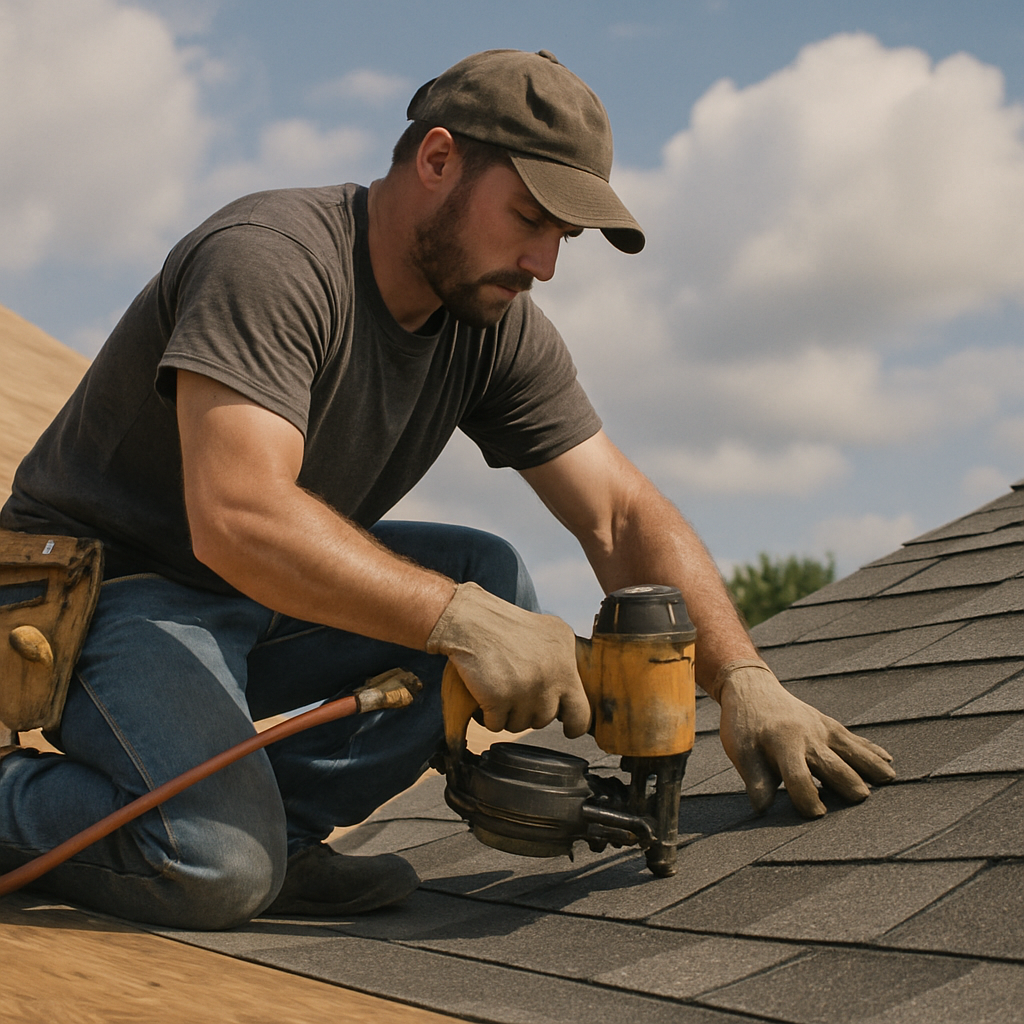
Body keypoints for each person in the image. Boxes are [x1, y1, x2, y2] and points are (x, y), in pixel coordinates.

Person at [0, 49, 894, 929]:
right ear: (437, 160)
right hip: (95, 597)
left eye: (564, 239)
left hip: (249, 600)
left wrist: (741, 677)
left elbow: (619, 513)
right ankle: (155, 829)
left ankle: (289, 838)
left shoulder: (492, 322)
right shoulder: (271, 259)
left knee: (492, 574)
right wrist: (456, 619)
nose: (544, 263)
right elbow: (238, 519)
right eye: (529, 218)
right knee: (213, 869)